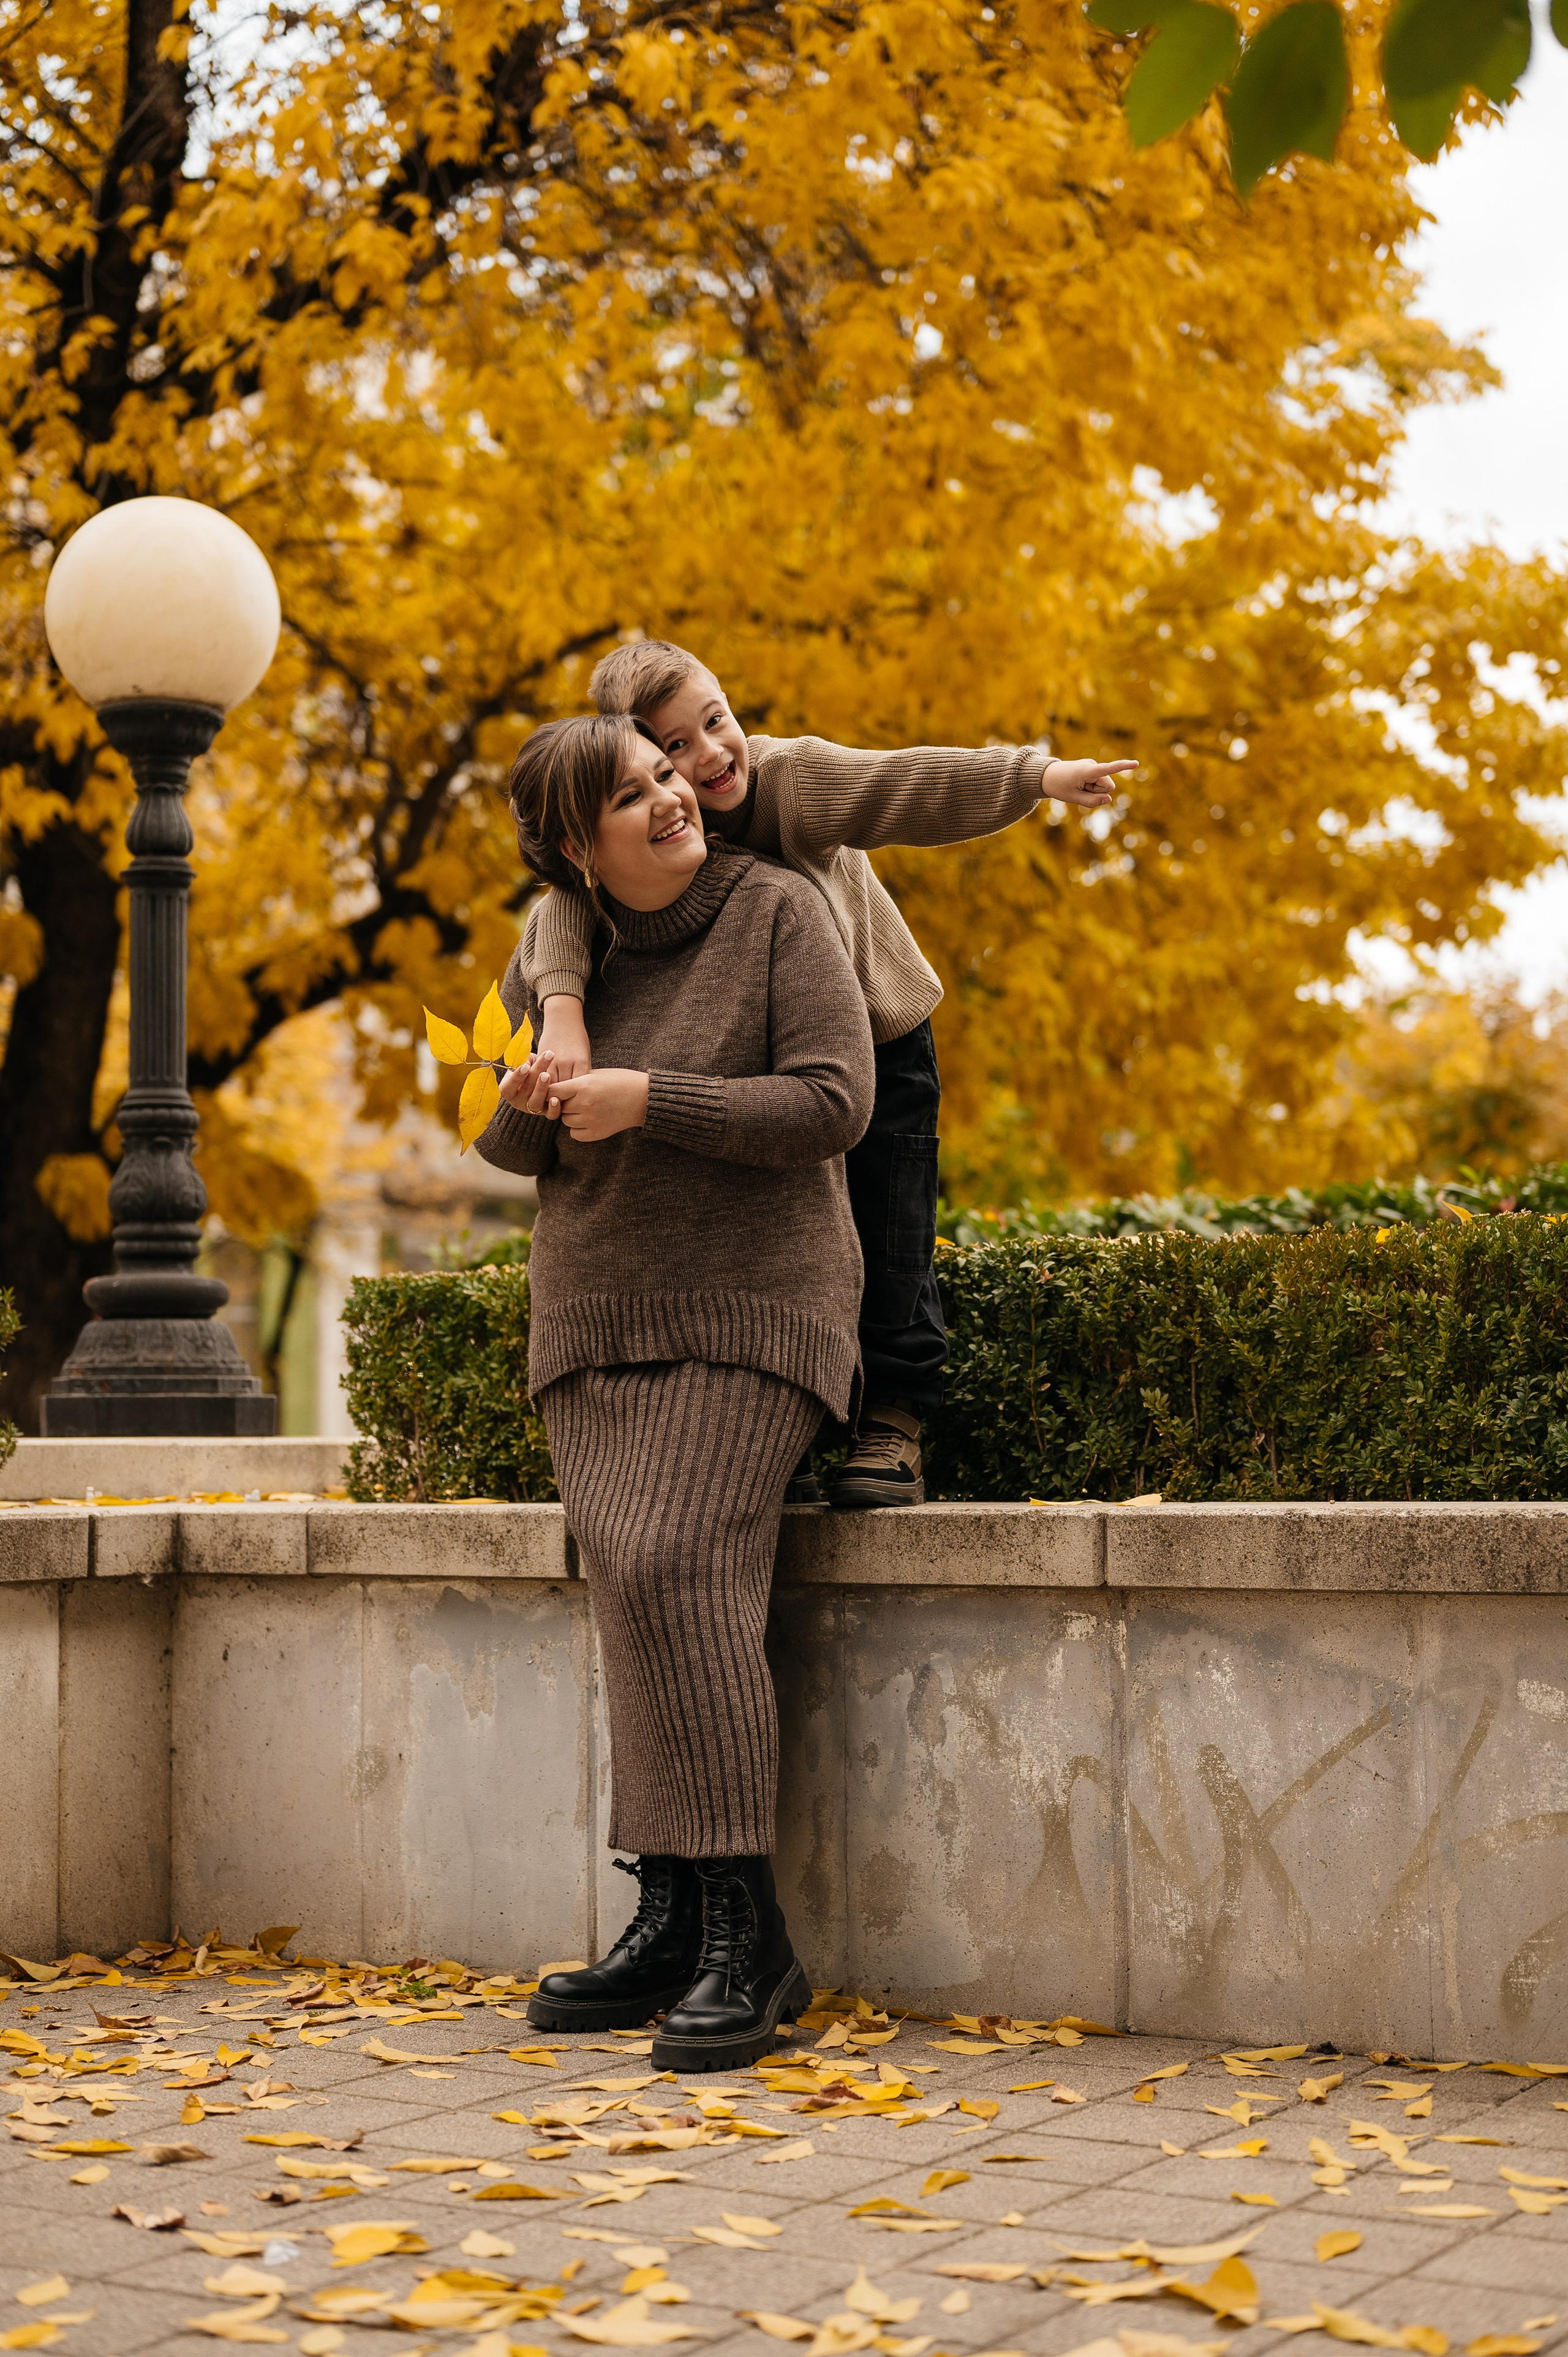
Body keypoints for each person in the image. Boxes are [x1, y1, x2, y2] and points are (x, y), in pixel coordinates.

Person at [475, 712, 875, 2072]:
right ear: (573, 848)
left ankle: (747, 1932)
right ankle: (673, 1909)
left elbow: (834, 1101)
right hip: (591, 1316)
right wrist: (538, 1087)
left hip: (760, 1302)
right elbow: (499, 1138)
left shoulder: (775, 910)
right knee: (632, 1585)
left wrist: (650, 1098)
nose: (670, 800)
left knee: (669, 1560)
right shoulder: (555, 955)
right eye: (630, 797)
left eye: (664, 777)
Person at [519, 641, 1137, 1510]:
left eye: (717, 721)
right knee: (791, 1236)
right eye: (674, 748)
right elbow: (562, 908)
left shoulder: (790, 782)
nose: (708, 759)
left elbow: (907, 785)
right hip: (773, 1056)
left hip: (878, 1038)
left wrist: (1038, 777)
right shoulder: (652, 814)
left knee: (888, 1224)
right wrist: (562, 1008)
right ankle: (790, 1430)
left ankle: (897, 1418)